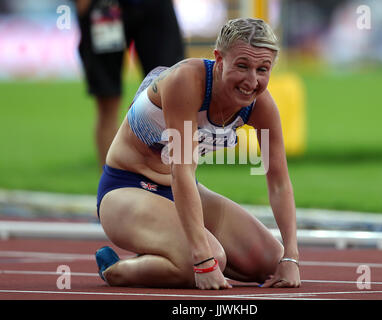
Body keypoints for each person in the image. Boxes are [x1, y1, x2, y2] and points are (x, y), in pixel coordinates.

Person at [95, 18, 301, 290]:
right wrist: (203, 260)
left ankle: (166, 251)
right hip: (126, 189)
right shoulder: (186, 81)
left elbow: (278, 181)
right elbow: (180, 170)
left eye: (263, 69)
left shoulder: (261, 106)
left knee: (272, 262)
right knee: (211, 258)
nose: (252, 81)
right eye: (242, 66)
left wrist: (291, 256)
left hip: (181, 190)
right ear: (219, 59)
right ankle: (116, 270)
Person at [76, 0, 185, 167]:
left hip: (154, 7)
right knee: (107, 100)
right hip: (105, 7)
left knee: (170, 93)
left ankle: (167, 186)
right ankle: (111, 187)